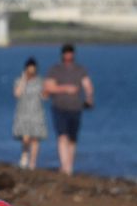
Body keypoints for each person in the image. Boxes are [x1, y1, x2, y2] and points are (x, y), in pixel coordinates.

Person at [43, 44, 94, 175]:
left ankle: (69, 166)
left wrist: (89, 98)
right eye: (66, 53)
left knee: (72, 138)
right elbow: (48, 87)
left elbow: (87, 85)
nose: (68, 55)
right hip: (59, 107)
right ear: (62, 54)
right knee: (62, 136)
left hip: (75, 108)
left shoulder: (80, 69)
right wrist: (66, 88)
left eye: (70, 52)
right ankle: (64, 166)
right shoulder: (55, 69)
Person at [12, 58, 47, 170]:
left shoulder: (40, 81)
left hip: (37, 112)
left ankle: (33, 163)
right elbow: (17, 94)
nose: (31, 70)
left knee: (36, 139)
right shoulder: (19, 80)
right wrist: (24, 79)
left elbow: (45, 96)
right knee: (25, 138)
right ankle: (24, 156)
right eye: (29, 68)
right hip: (23, 112)